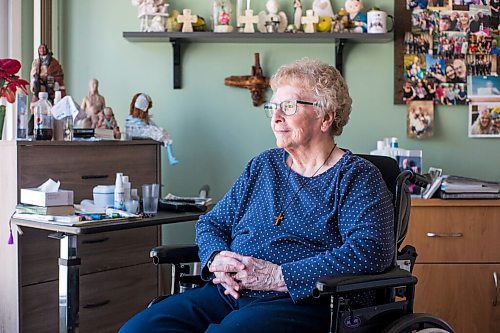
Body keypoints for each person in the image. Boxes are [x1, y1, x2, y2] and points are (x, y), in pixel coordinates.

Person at [119, 58, 395, 333]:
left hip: (303, 300)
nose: (276, 117)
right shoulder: (264, 166)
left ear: (326, 117)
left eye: (288, 107)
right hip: (230, 292)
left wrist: (279, 276)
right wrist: (216, 258)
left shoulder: (356, 176)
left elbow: (370, 251)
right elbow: (212, 223)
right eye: (273, 108)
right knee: (139, 329)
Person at [29, 43, 66, 135]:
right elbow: (33, 76)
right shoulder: (36, 62)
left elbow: (59, 76)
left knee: (54, 110)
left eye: (43, 50)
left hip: (51, 88)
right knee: (35, 108)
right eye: (40, 50)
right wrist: (35, 81)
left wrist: (52, 80)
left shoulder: (54, 63)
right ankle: (33, 130)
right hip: (40, 88)